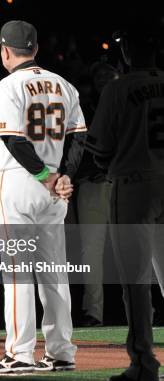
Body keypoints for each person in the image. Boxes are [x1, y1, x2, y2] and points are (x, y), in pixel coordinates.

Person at [0, 20, 86, 373]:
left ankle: (20, 353)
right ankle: (61, 351)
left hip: (21, 180)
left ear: (5, 51)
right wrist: (64, 178)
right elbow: (79, 138)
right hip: (55, 185)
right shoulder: (65, 85)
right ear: (36, 49)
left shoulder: (8, 85)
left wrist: (46, 177)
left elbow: (14, 141)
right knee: (54, 271)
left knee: (17, 271)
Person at [86, 25, 164, 381]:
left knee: (135, 281)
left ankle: (144, 363)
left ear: (127, 54)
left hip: (134, 185)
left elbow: (99, 151)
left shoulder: (118, 88)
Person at [74, 62, 119, 327]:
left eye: (109, 75)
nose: (104, 80)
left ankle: (146, 309)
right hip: (92, 184)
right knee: (90, 250)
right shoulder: (83, 110)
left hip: (125, 183)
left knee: (139, 248)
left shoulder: (130, 106)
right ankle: (94, 312)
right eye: (99, 76)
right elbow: (76, 150)